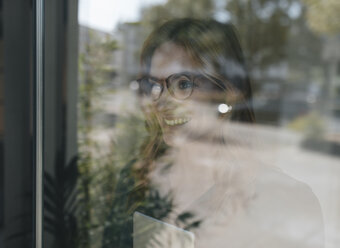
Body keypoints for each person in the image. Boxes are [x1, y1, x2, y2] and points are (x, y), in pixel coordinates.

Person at [133, 18, 325, 248]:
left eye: (183, 84)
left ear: (227, 93)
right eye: (153, 85)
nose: (161, 101)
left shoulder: (288, 204)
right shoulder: (141, 183)